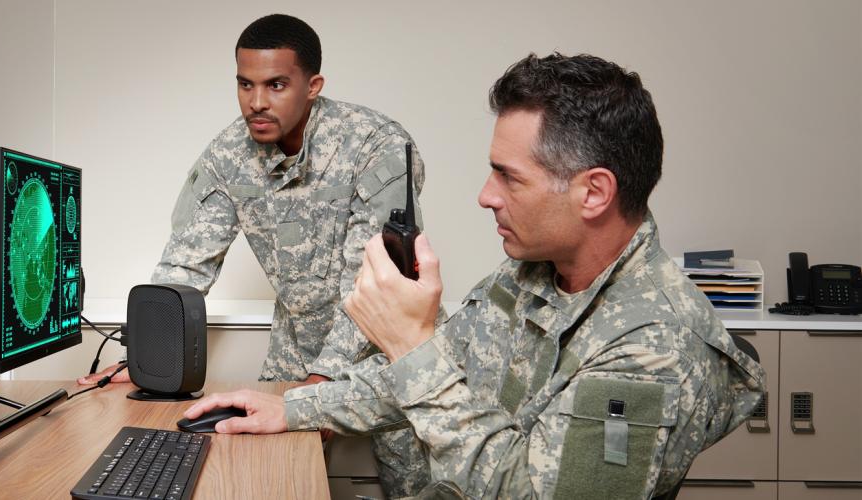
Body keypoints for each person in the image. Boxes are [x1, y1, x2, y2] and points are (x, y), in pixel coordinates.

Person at [184, 53, 767, 498]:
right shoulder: (530, 276)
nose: (485, 197)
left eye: (508, 178)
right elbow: (435, 370)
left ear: (594, 192)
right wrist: (289, 409)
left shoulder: (654, 346)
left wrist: (411, 344)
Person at [79, 14, 432, 495]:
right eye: (245, 84)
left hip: (385, 350)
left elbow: (372, 282)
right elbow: (186, 262)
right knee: (268, 481)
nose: (257, 102)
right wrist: (145, 356)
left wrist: (325, 381)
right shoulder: (228, 154)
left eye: (277, 84)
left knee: (414, 488)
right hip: (294, 345)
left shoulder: (378, 145)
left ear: (313, 85)